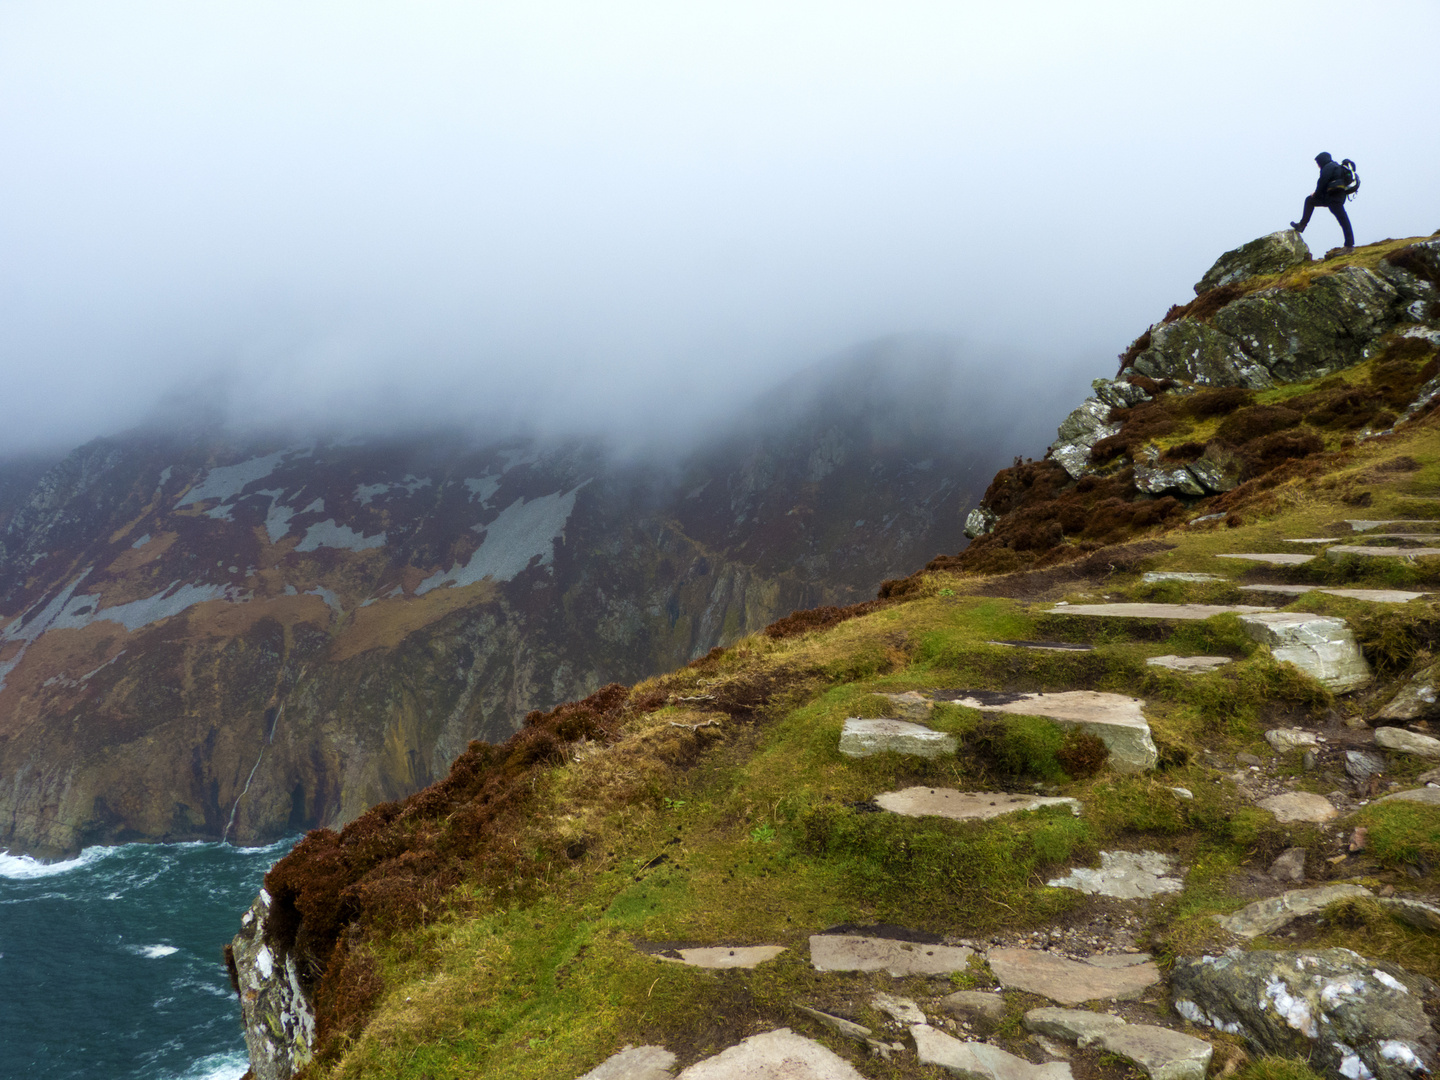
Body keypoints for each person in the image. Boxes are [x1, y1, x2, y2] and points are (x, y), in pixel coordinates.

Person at [1291, 151, 1354, 248]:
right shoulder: (1335, 166)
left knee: (1343, 220)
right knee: (1310, 201)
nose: (1318, 165)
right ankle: (1302, 225)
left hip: (1334, 198)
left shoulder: (1328, 167)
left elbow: (1322, 182)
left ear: (1322, 161)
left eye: (1318, 163)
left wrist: (1316, 194)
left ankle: (1349, 245)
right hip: (1336, 196)